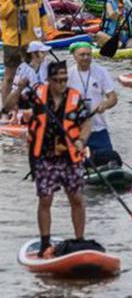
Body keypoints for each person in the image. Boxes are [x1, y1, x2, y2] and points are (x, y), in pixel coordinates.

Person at [27, 57, 91, 257]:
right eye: (58, 80)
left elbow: (86, 122)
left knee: (77, 198)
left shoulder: (75, 97)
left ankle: (79, 240)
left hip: (70, 157)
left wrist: (81, 140)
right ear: (49, 80)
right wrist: (18, 84)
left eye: (65, 79)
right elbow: (11, 104)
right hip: (45, 157)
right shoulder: (37, 95)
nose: (63, 84)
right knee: (45, 199)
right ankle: (45, 242)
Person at [66, 40, 117, 157]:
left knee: (110, 159)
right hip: (77, 131)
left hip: (99, 128)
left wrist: (105, 104)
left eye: (89, 54)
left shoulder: (101, 72)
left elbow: (113, 98)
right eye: (82, 55)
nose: (86, 58)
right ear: (74, 56)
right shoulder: (68, 75)